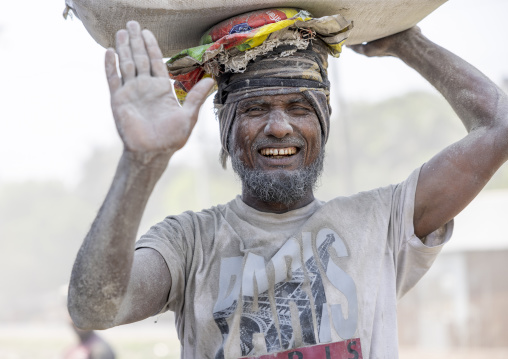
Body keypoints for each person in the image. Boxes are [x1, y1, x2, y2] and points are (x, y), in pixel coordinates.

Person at [67, 11, 508, 359]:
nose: (280, 127)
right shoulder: (189, 243)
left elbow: (500, 126)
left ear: (324, 120)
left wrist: (407, 41)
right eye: (257, 107)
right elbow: (93, 308)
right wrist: (142, 163)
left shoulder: (383, 223)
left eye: (299, 106)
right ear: (226, 127)